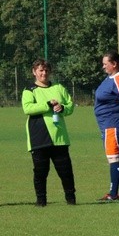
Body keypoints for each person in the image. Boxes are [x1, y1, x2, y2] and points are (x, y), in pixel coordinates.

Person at [21, 59, 77, 206]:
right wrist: (47, 105)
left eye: (46, 70)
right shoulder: (29, 90)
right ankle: (41, 201)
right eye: (40, 70)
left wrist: (62, 108)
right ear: (34, 72)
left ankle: (71, 200)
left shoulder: (58, 87)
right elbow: (27, 108)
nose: (44, 73)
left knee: (65, 171)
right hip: (38, 136)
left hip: (59, 137)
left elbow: (70, 105)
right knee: (40, 172)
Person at [94, 51, 119, 201]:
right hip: (108, 125)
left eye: (105, 64)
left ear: (114, 64)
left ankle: (113, 194)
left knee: (113, 159)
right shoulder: (110, 78)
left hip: (113, 126)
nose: (103, 66)